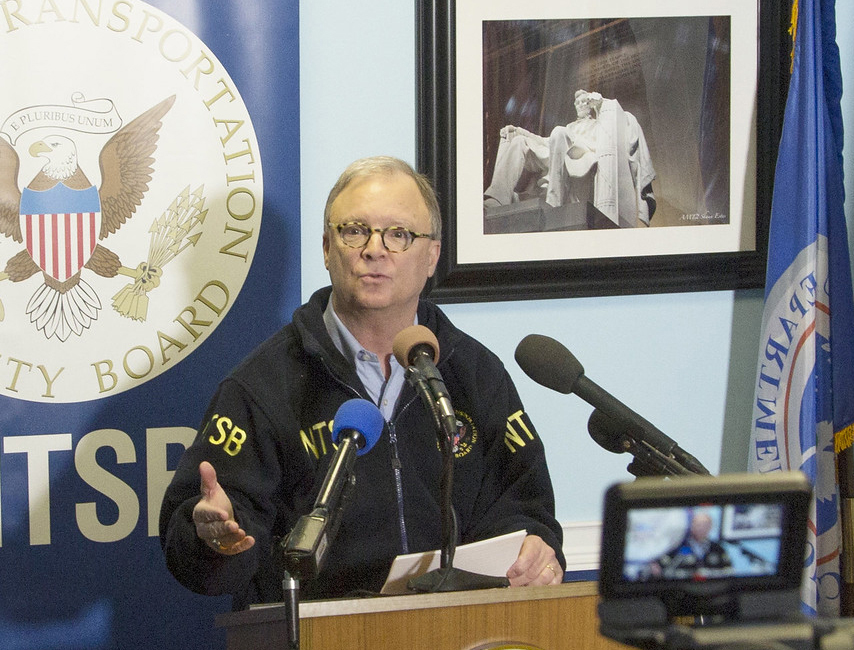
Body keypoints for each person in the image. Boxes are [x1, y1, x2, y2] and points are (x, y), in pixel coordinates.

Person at [159, 156, 564, 608]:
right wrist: (214, 541)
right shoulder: (260, 387)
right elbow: (198, 551)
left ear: (431, 256)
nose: (376, 249)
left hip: (462, 630)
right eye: (355, 231)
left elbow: (526, 506)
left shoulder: (474, 373)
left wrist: (537, 548)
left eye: (399, 234)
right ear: (328, 249)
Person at [484, 89, 656, 228]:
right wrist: (520, 131)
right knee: (520, 141)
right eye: (578, 102)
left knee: (558, 132)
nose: (581, 105)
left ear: (589, 106)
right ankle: (497, 198)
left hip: (582, 158)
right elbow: (547, 142)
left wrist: (600, 104)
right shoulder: (570, 127)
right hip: (559, 155)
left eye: (584, 102)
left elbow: (613, 127)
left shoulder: (599, 125)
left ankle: (554, 201)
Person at [648, 510, 732, 580]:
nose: (702, 528)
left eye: (706, 525)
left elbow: (729, 571)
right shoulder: (676, 546)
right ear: (692, 525)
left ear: (710, 527)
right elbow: (662, 570)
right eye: (699, 525)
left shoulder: (718, 548)